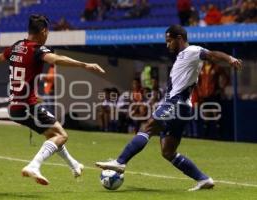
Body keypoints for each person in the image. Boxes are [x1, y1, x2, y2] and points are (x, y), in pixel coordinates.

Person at [96, 25, 242, 191]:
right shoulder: (182, 57)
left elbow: (211, 54)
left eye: (169, 41)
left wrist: (230, 58)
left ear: (179, 38)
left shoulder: (192, 51)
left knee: (147, 126)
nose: (167, 45)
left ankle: (120, 162)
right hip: (182, 106)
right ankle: (203, 179)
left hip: (176, 103)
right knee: (168, 151)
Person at [0, 14, 105, 185]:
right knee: (62, 135)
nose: (48, 35)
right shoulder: (37, 49)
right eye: (47, 32)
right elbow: (57, 59)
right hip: (27, 106)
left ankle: (74, 165)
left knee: (52, 135)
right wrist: (84, 65)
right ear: (43, 31)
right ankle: (34, 166)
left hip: (15, 107)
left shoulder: (16, 46)